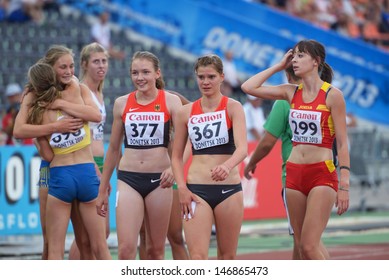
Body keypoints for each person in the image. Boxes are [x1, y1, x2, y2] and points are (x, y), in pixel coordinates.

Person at [241, 39, 350, 260]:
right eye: (294, 55)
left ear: (316, 61)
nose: (295, 60)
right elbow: (248, 87)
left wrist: (344, 184)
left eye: (301, 56)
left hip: (321, 173)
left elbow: (342, 142)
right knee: (302, 247)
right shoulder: (291, 93)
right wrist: (279, 66)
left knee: (310, 246)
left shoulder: (332, 95)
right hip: (293, 174)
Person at [13, 45, 104, 260]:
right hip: (51, 169)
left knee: (85, 241)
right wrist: (54, 128)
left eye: (71, 66)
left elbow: (95, 115)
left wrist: (59, 104)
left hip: (77, 167)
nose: (68, 71)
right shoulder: (33, 94)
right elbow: (18, 130)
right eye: (62, 67)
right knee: (49, 239)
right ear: (50, 69)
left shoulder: (78, 87)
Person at [96, 51, 182, 260]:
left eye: (145, 72)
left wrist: (173, 168)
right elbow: (114, 149)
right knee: (125, 250)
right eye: (135, 73)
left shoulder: (171, 102)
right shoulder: (122, 103)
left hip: (159, 180)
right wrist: (102, 189)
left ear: (157, 74)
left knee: (155, 251)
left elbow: (183, 142)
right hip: (129, 179)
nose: (140, 77)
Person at [243, 65, 329, 260]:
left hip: (295, 175)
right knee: (309, 241)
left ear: (287, 74)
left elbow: (267, 142)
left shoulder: (285, 101)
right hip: (322, 173)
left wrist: (251, 162)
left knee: (304, 242)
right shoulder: (325, 96)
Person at [171, 54, 247, 260]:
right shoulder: (185, 113)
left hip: (229, 190)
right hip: (196, 191)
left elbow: (242, 149)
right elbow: (176, 157)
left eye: (211, 77)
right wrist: (182, 189)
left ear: (222, 77)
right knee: (197, 257)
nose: (205, 82)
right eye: (201, 77)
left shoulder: (233, 107)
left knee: (227, 256)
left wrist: (227, 165)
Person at [67, 42, 111, 260]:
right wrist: (94, 167)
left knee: (100, 233)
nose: (101, 66)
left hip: (100, 163)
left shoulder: (98, 92)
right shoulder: (80, 91)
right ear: (84, 64)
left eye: (104, 61)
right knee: (90, 237)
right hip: (87, 163)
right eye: (96, 61)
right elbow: (78, 133)